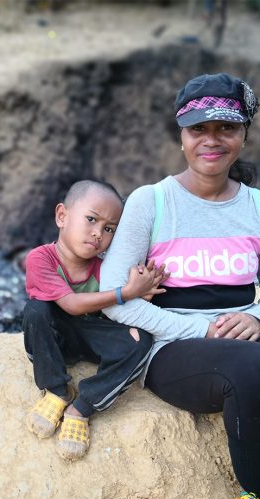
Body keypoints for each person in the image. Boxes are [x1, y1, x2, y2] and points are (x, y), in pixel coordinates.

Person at [100, 72, 260, 499]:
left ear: (243, 135)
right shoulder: (151, 202)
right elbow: (114, 297)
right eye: (199, 129)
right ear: (182, 136)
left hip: (241, 332)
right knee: (256, 370)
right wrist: (200, 331)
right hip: (170, 346)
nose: (211, 141)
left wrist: (255, 316)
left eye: (225, 129)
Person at [23, 180, 167, 461]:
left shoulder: (106, 268)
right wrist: (125, 292)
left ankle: (83, 407)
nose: (98, 233)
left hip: (92, 340)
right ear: (62, 216)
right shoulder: (41, 258)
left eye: (109, 228)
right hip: (56, 338)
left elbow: (128, 300)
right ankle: (56, 390)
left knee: (141, 340)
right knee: (36, 310)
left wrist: (143, 289)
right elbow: (71, 305)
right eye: (91, 219)